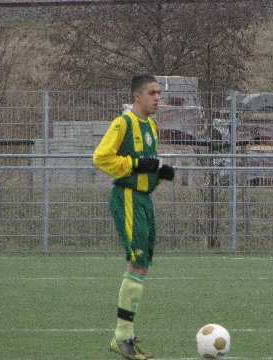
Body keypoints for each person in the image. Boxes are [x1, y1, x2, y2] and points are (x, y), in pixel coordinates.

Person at [94, 74, 175, 360]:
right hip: (127, 199)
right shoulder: (123, 123)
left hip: (144, 200)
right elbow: (101, 158)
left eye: (159, 93)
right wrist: (137, 163)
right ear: (137, 96)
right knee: (137, 262)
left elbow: (147, 168)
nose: (157, 98)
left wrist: (160, 175)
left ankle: (126, 336)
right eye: (152, 93)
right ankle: (121, 337)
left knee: (141, 265)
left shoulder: (151, 125)